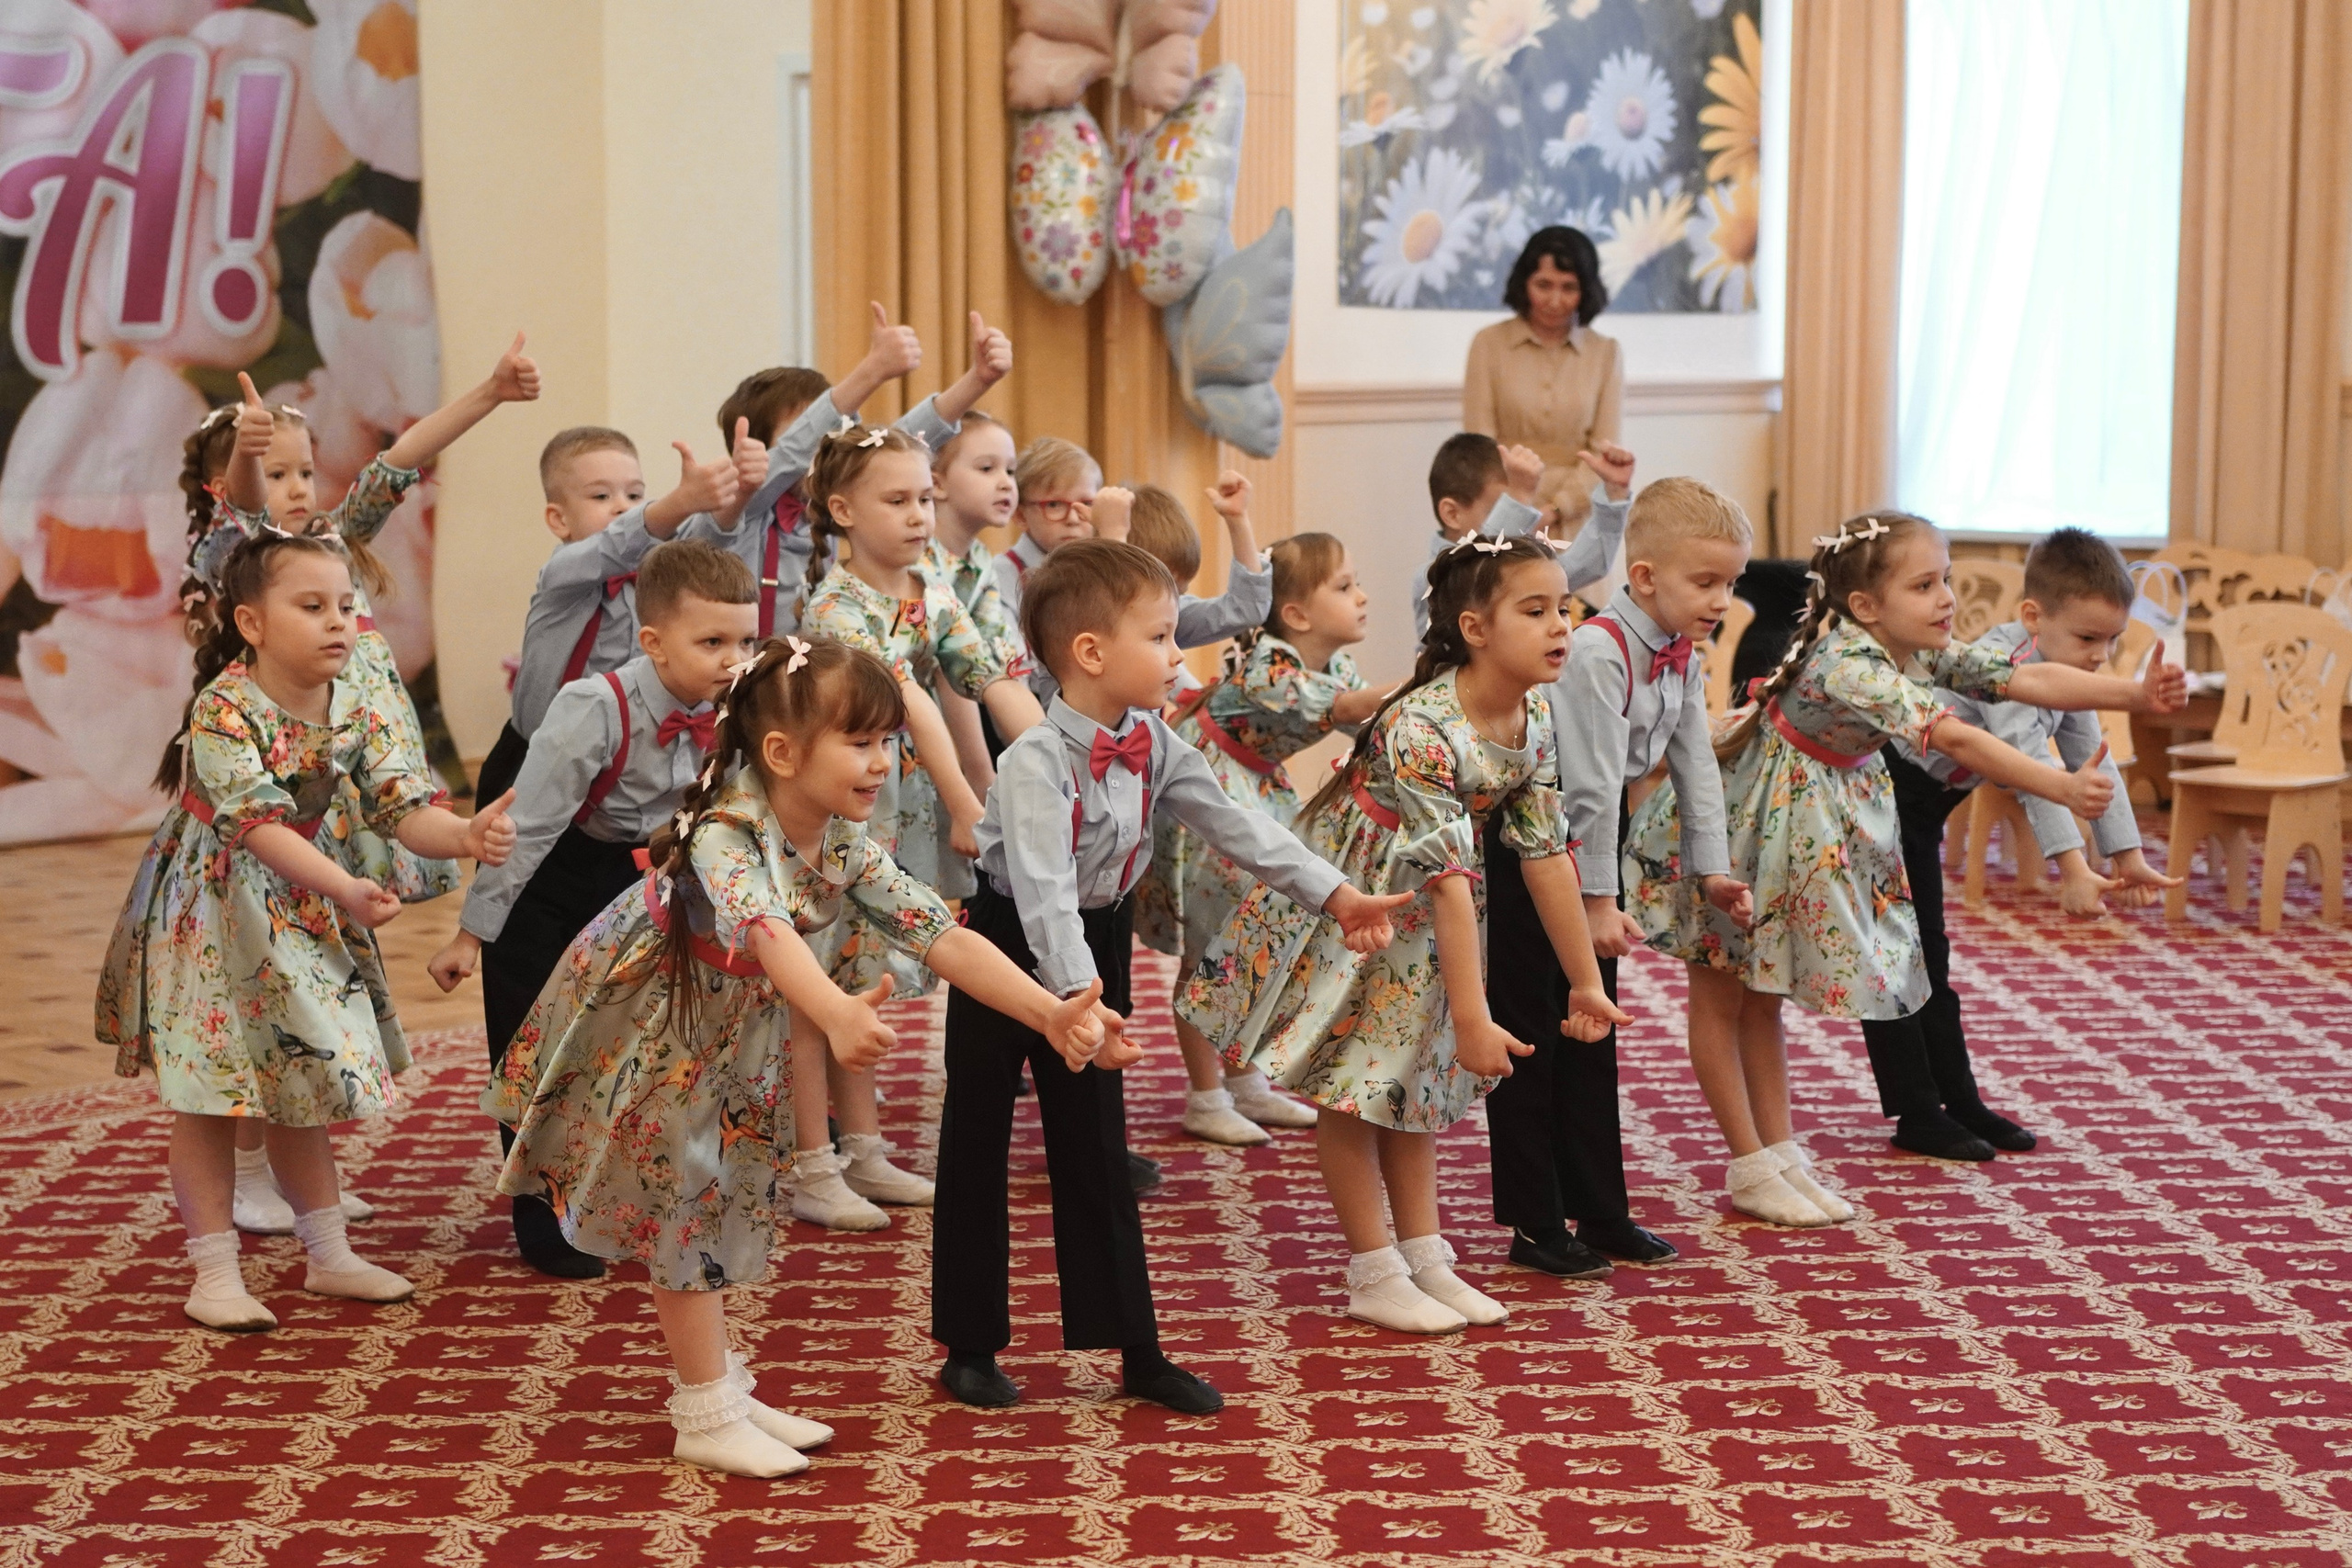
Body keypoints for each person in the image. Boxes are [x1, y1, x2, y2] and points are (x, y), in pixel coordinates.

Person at [484, 637, 1110, 1478]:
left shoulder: (838, 839)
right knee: (685, 1204)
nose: (882, 763)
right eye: (861, 742)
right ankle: (703, 1411)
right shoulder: (726, 829)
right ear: (781, 752)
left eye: (888, 742)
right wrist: (833, 1009)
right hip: (657, 1022)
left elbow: (937, 933)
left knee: (724, 1192)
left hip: (728, 1021)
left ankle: (723, 1386)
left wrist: (1050, 1013)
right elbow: (763, 930)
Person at [933, 539, 1409, 1410]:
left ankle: (1136, 1350)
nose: (1176, 656)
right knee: (979, 1139)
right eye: (1159, 637)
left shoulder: (1151, 738)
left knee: (1098, 1147)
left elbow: (1238, 824)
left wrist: (1337, 894)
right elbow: (1041, 895)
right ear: (1090, 653)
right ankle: (971, 1342)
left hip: (1096, 943)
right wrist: (1074, 1007)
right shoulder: (1037, 759)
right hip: (1007, 951)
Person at [1623, 513, 2187, 1225]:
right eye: (1925, 584)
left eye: (1946, 578)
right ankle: (1749, 1162)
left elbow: (2023, 677)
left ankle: (1777, 1154)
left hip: (1802, 815)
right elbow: (1951, 733)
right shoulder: (1853, 662)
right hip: (1740, 821)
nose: (1946, 597)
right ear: (1866, 605)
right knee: (1719, 992)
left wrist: (2135, 695)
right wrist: (2061, 787)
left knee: (1761, 995)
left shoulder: (1914, 647)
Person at [1179, 535, 1629, 1335]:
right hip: (1365, 909)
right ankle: (1372, 1269)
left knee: (1411, 1081)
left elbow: (1545, 853)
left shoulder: (1534, 717)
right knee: (1352, 1084)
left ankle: (1424, 1255)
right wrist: (1472, 1015)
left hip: (1435, 918)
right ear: (1475, 627)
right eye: (1536, 610)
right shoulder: (1421, 724)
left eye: (1565, 607)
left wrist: (1584, 977)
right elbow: (1449, 874)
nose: (1563, 625)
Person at [96, 533, 515, 1331]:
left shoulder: (354, 693)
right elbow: (257, 828)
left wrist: (461, 835)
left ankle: (328, 1255)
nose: (338, 623)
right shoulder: (223, 708)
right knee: (210, 1094)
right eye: (313, 606)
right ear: (251, 623)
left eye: (348, 606)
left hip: (302, 899)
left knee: (303, 1079)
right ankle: (213, 1271)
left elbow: (401, 803)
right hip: (216, 909)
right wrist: (347, 887)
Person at [182, 344, 537, 1231]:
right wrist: (244, 454)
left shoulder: (334, 552)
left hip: (357, 796)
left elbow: (401, 460)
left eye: (306, 469)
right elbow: (239, 512)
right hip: (272, 815)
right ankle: (257, 1167)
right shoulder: (243, 560)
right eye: (279, 472)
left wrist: (490, 394)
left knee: (306, 990)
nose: (297, 487)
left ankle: (300, 1184)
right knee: (260, 995)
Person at [428, 541, 758, 1277]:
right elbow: (527, 832)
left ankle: (627, 1198)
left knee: (643, 1047)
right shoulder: (591, 709)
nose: (733, 658)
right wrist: (471, 934)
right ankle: (541, 1216)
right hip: (550, 874)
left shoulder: (738, 704)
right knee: (544, 1049)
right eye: (712, 642)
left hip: (646, 875)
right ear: (653, 641)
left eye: (746, 639)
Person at [1491, 477, 1753, 1280]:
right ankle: (1536, 1222)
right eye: (1705, 582)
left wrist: (1713, 870)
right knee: (1535, 1033)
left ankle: (1601, 1209)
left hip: (1585, 860)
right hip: (1534, 857)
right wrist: (1599, 902)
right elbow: (1595, 785)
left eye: (1730, 583)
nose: (1721, 599)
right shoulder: (1600, 652)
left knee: (1591, 1032)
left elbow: (1694, 758)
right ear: (1643, 578)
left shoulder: (1678, 653)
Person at [794, 423, 1046, 1229]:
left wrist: (1048, 767)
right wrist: (973, 804)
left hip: (888, 807)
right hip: (823, 806)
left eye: (925, 499)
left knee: (860, 970)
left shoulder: (929, 583)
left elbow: (990, 676)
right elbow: (914, 703)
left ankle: (863, 1147)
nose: (918, 516)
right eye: (896, 500)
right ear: (842, 509)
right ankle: (809, 1159)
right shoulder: (836, 605)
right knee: (810, 985)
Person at [1868, 527, 2184, 1159]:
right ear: (2033, 618)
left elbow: (2092, 761)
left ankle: (1958, 1099)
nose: (2101, 655)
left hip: (1925, 804)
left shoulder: (2067, 672)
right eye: (2088, 639)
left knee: (1929, 955)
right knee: (1904, 956)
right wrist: (2070, 867)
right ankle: (1919, 1111)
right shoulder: (2002, 666)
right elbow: (2031, 765)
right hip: (1885, 793)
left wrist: (2127, 856)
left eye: (2113, 641)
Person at [1135, 532, 1390, 1145]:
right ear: (1297, 614)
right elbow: (1353, 708)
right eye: (1345, 586)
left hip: (1254, 784)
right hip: (1208, 785)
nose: (1362, 596)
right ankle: (1205, 1095)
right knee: (1212, 945)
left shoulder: (1337, 662)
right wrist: (1436, 675)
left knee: (1252, 937)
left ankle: (1245, 1081)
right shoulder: (1267, 665)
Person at [477, 425, 747, 805]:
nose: (623, 506)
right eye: (601, 495)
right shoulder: (562, 576)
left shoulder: (657, 579)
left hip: (621, 764)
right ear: (559, 520)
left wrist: (739, 495)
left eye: (635, 494)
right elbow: (615, 546)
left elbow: (703, 544)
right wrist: (681, 501)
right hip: (535, 763)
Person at [716, 306, 1012, 639]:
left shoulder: (832, 499)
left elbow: (902, 442)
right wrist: (873, 370)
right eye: (811, 435)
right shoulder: (742, 512)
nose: (823, 448)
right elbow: (791, 453)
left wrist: (978, 380)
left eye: (833, 434)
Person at [1463, 226, 1623, 534]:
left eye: (1569, 287)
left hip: (1579, 515)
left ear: (1586, 290)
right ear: (1524, 284)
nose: (1554, 299)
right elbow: (1480, 447)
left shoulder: (1606, 353)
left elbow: (1604, 452)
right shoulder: (1487, 344)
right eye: (1544, 285)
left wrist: (1557, 509)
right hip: (1503, 508)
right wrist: (1519, 505)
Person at [1414, 432, 1629, 643]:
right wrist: (1518, 497)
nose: (1516, 524)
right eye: (1501, 510)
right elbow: (1475, 572)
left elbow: (1587, 565)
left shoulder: (1521, 565)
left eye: (1510, 510)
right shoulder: (1432, 578)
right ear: (1452, 514)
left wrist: (1614, 493)